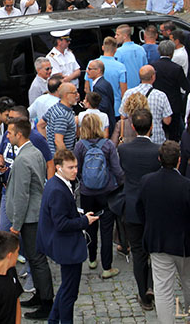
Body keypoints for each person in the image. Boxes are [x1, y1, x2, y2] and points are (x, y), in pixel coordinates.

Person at [137, 141, 190, 324]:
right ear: (179, 160)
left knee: (162, 289)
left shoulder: (147, 181)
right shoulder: (188, 185)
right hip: (185, 244)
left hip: (158, 241)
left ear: (159, 159)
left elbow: (140, 210)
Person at [37, 149, 98, 323]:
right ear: (59, 167)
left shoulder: (56, 183)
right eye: (71, 167)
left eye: (76, 167)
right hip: (66, 247)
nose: (75, 171)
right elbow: (61, 223)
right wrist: (84, 221)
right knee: (69, 293)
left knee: (66, 288)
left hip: (63, 244)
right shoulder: (58, 189)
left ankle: (53, 320)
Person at [3, 117, 53, 319]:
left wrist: (16, 224)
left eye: (9, 133)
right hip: (34, 214)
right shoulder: (35, 152)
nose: (7, 136)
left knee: (37, 259)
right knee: (34, 258)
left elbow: (22, 194)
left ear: (19, 134)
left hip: (30, 218)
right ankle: (40, 296)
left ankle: (47, 303)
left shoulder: (23, 159)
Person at [117, 109, 161, 311]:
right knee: (156, 251)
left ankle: (144, 294)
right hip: (154, 207)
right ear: (151, 126)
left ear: (133, 127)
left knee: (138, 252)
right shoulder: (157, 150)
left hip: (132, 206)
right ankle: (152, 284)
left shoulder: (124, 149)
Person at [73, 113, 123, 279]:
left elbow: (77, 169)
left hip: (87, 193)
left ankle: (92, 258)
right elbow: (116, 169)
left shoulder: (80, 146)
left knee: (90, 225)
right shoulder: (108, 145)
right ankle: (107, 267)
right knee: (107, 229)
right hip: (106, 192)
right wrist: (121, 184)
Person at [119, 65, 172, 144]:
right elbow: (167, 121)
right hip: (156, 139)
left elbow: (123, 116)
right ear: (153, 77)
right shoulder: (161, 95)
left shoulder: (129, 93)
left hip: (133, 139)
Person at [152, 40, 189, 140]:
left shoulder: (153, 66)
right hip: (174, 104)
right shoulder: (176, 68)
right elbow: (186, 86)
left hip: (157, 102)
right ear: (172, 52)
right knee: (174, 133)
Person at [37, 82, 78, 155]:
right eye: (74, 93)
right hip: (62, 158)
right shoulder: (62, 115)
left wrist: (48, 145)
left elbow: (40, 125)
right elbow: (58, 141)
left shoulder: (54, 107)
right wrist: (67, 157)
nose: (77, 95)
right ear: (66, 95)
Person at [85, 59, 117, 136]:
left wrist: (89, 106)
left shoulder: (99, 86)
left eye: (90, 69)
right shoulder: (104, 83)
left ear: (98, 70)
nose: (87, 71)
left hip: (103, 126)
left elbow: (104, 106)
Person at [114, 24, 147, 89]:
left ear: (125, 36)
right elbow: (146, 69)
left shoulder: (118, 52)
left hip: (126, 89)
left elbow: (117, 73)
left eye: (118, 35)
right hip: (141, 88)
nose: (115, 37)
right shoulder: (141, 49)